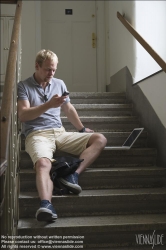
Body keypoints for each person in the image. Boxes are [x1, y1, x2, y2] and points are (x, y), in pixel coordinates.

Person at [17, 49, 107, 222]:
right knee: (43, 163)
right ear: (37, 66)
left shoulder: (59, 83)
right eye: (47, 69)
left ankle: (72, 176)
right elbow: (23, 115)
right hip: (37, 134)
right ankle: (46, 205)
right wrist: (49, 105)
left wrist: (81, 129)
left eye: (54, 70)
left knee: (100, 139)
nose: (51, 73)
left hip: (60, 132)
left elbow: (68, 109)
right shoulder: (23, 86)